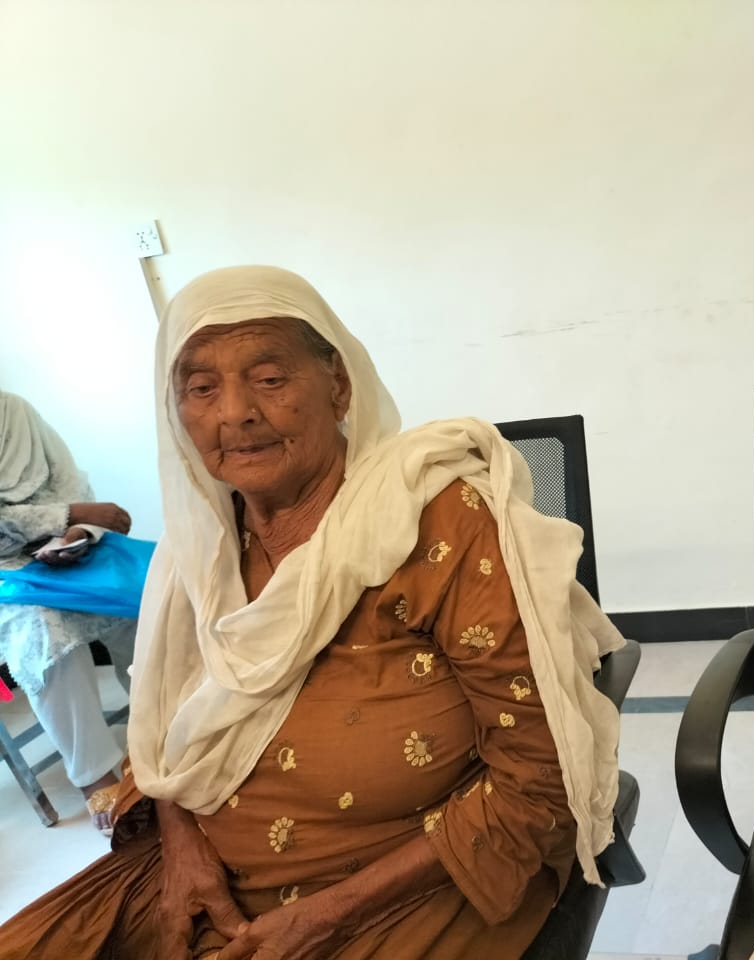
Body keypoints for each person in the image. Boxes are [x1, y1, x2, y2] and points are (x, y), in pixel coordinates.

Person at [0, 265, 623, 960]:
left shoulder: (439, 522)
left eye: (269, 379)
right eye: (201, 388)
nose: (235, 412)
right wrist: (180, 846)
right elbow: (163, 730)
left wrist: (327, 918)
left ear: (339, 385)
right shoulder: (196, 548)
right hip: (203, 874)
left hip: (406, 885)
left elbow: (537, 777)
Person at [0, 391, 135, 833]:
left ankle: (162, 729)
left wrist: (77, 531)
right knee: (43, 627)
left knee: (141, 600)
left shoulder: (12, 410)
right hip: (4, 578)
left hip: (58, 552)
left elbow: (73, 483)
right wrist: (69, 514)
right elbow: (76, 504)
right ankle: (95, 777)